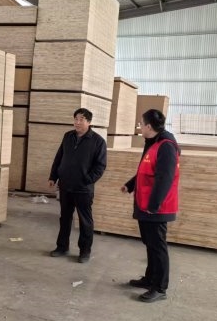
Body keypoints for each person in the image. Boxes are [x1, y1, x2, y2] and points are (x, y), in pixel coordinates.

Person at [121, 109, 180, 303]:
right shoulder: (152, 142)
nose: (139, 127)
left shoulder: (166, 146)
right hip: (145, 203)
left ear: (148, 126)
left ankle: (160, 288)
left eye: (141, 124)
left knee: (157, 247)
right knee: (150, 244)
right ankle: (150, 278)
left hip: (156, 207)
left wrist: (154, 205)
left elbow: (165, 178)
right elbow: (145, 171)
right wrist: (130, 185)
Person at [48, 108, 107, 263]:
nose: (77, 122)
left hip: (83, 189)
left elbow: (100, 166)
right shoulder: (68, 136)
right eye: (76, 119)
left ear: (89, 122)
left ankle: (85, 251)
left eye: (81, 119)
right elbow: (59, 157)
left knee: (85, 221)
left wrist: (87, 180)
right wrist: (53, 176)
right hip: (65, 185)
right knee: (65, 218)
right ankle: (62, 247)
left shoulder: (98, 141)